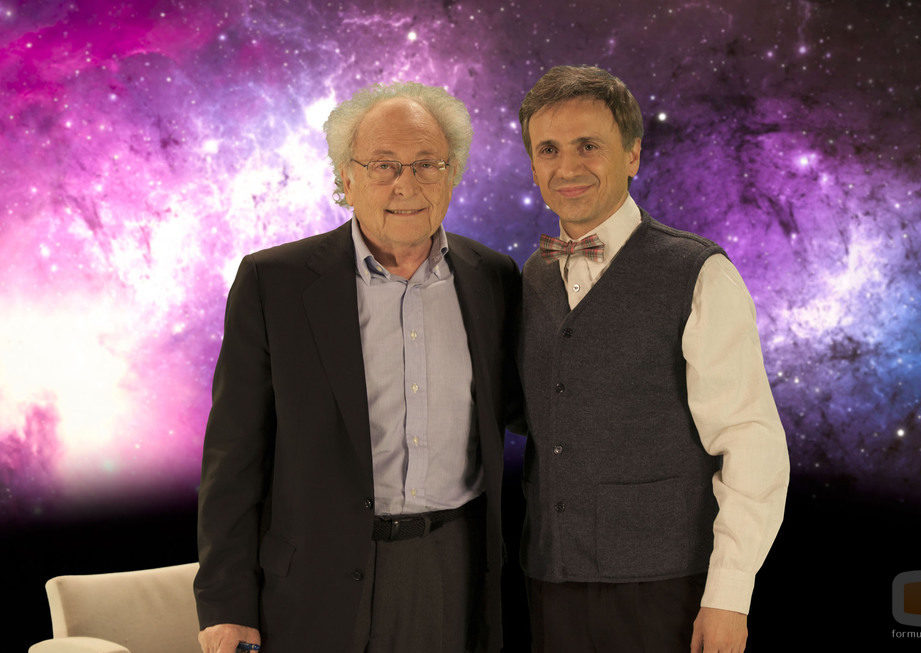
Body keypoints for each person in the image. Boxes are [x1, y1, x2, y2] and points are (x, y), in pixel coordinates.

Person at [194, 81, 521, 653]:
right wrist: (226, 605)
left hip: (458, 573)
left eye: (427, 164)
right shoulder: (275, 284)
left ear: (452, 175)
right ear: (346, 179)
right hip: (316, 582)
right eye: (383, 165)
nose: (406, 185)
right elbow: (233, 458)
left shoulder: (494, 278)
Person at [516, 65, 790, 653]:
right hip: (550, 580)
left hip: (667, 588)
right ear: (534, 165)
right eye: (549, 149)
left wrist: (729, 596)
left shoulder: (698, 272)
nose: (567, 167)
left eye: (589, 145)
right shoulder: (533, 275)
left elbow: (751, 441)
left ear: (633, 155)